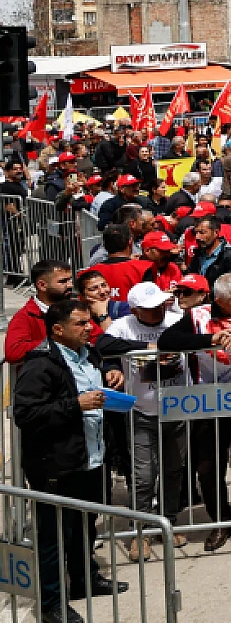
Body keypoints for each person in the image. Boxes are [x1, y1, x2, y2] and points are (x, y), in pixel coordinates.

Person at [13, 299, 130, 619]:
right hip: (55, 466)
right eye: (80, 324)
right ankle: (51, 603)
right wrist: (75, 405)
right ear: (58, 330)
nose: (89, 328)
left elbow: (94, 376)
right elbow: (25, 414)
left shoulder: (89, 352)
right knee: (53, 538)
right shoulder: (40, 365)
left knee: (85, 526)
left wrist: (111, 372)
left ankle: (84, 580)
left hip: (91, 458)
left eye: (89, 321)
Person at [156, 271, 231, 550]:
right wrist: (211, 339)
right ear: (219, 300)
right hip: (212, 400)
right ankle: (220, 520)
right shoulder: (199, 316)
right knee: (208, 465)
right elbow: (167, 342)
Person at [105, 281, 188, 557]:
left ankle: (168, 523)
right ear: (134, 309)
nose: (158, 312)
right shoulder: (122, 326)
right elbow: (104, 346)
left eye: (160, 305)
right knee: (143, 476)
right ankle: (140, 531)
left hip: (178, 410)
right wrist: (147, 349)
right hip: (141, 412)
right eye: (150, 309)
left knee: (174, 470)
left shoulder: (178, 320)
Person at [6, 258, 78, 364]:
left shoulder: (77, 309)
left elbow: (97, 339)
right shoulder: (25, 316)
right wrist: (57, 342)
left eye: (70, 280)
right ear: (42, 285)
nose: (70, 285)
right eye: (63, 281)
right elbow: (13, 352)